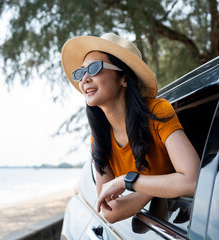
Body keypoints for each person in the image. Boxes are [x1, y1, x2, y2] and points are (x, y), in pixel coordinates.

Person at [61, 33, 200, 223]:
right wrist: (160, 182)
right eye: (80, 72)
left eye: (94, 68)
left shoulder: (158, 112)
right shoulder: (99, 137)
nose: (84, 78)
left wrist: (127, 181)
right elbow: (109, 212)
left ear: (123, 78)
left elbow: (192, 181)